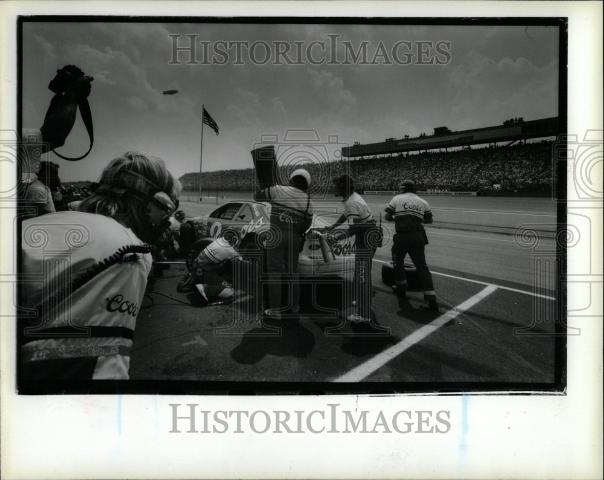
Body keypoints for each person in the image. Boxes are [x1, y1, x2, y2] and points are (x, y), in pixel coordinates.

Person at [20, 151, 180, 380]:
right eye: (167, 210)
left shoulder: (47, 221)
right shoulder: (130, 251)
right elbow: (98, 368)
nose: (166, 220)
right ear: (154, 203)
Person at [254, 169, 313, 319]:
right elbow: (307, 223)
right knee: (293, 273)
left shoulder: (278, 189)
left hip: (276, 235)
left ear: (292, 178)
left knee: (274, 273)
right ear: (306, 184)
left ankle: (275, 311)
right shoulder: (308, 200)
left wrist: (267, 185)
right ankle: (294, 306)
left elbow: (256, 196)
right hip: (294, 237)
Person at [324, 174, 381, 323]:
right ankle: (363, 303)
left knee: (362, 275)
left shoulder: (352, 202)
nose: (333, 187)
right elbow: (345, 215)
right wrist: (332, 227)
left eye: (336, 185)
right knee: (361, 272)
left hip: (366, 236)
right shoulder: (352, 198)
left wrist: (336, 238)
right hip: (370, 234)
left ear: (342, 187)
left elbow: (356, 228)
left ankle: (364, 314)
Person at [385, 179, 438, 312]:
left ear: (402, 188)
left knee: (398, 261)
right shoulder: (423, 201)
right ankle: (431, 299)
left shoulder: (397, 198)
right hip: (418, 236)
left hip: (402, 236)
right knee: (422, 266)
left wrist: (397, 218)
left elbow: (387, 216)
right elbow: (429, 220)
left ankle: (401, 289)